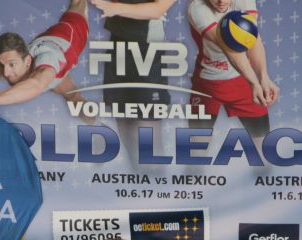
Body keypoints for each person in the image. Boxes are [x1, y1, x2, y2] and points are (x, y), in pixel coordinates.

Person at [0, 0, 92, 113]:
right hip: (45, 40)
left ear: (28, 61)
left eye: (12, 65)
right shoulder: (3, 58)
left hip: (73, 28)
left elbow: (36, 85)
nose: (6, 73)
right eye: (2, 66)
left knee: (73, 97)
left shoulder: (48, 58)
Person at [90, 0, 178, 168]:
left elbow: (157, 9)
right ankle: (138, 174)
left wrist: (114, 8)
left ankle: (154, 177)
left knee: (147, 125)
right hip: (117, 43)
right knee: (123, 118)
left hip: (147, 48)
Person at [187, 0, 279, 141]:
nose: (221, 1)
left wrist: (264, 76)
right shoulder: (197, 8)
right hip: (207, 84)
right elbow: (228, 46)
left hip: (242, 81)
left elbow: (251, 38)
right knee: (197, 148)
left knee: (263, 146)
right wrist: (255, 82)